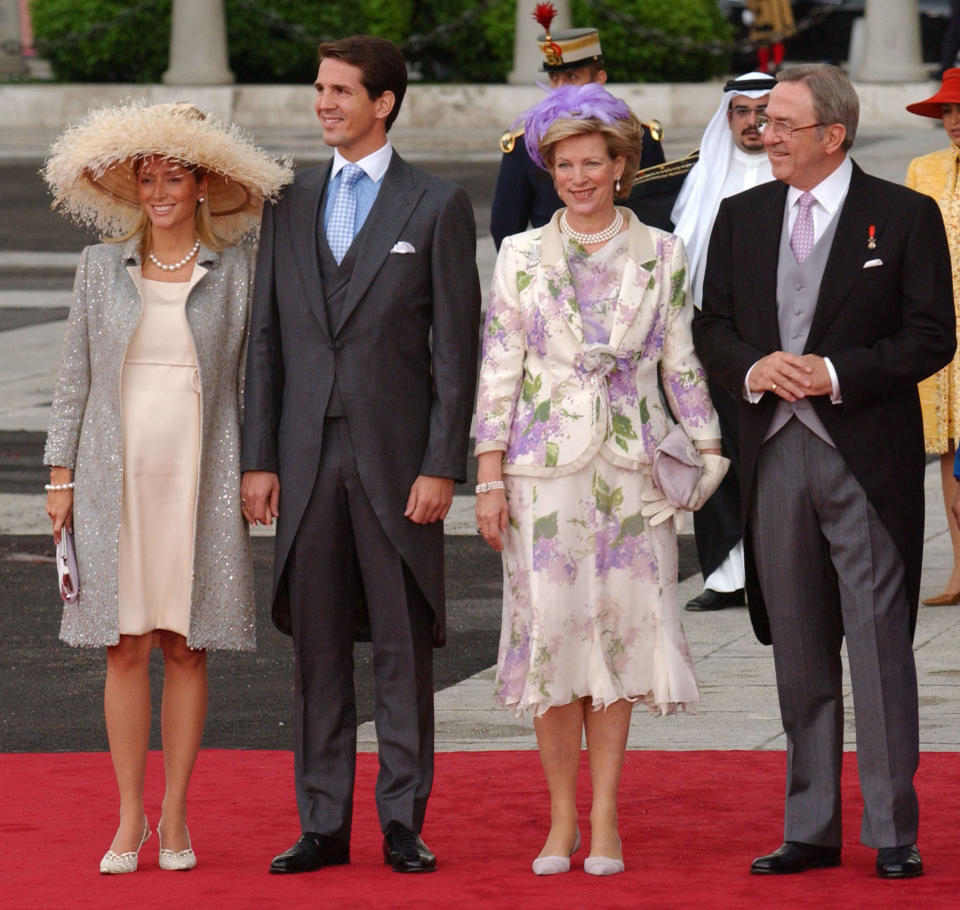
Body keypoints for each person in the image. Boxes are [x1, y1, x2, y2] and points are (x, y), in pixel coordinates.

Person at [693, 64, 955, 879]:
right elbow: (713, 328)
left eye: (781, 124)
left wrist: (836, 372)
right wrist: (753, 367)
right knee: (798, 646)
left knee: (879, 646)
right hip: (773, 455)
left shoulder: (903, 215)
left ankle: (891, 829)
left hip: (865, 460)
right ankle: (808, 826)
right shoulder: (741, 217)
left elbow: (930, 336)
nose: (763, 134)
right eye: (763, 123)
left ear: (832, 136)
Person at [240, 36, 480, 875]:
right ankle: (322, 823)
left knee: (403, 649)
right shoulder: (289, 200)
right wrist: (258, 456)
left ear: (384, 102)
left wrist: (444, 462)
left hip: (399, 465)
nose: (324, 103)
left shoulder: (437, 205)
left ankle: (404, 823)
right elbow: (266, 340)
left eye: (341, 90)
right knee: (315, 650)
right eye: (319, 89)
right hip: (303, 462)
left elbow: (457, 348)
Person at [474, 83, 727, 877]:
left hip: (634, 470)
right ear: (549, 170)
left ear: (622, 167)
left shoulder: (663, 251)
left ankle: (607, 818)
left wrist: (710, 452)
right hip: (539, 472)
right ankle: (559, 823)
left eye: (594, 163)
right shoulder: (518, 254)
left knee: (618, 637)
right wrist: (484, 475)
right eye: (565, 165)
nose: (579, 177)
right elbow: (499, 367)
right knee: (553, 640)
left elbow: (679, 361)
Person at [42, 102, 292, 874]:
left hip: (200, 470)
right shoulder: (95, 268)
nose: (159, 190)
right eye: (147, 177)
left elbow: (258, 381)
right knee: (123, 646)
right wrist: (60, 475)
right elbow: (73, 377)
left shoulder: (240, 271)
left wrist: (261, 464)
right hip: (114, 470)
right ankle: (127, 820)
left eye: (173, 176)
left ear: (201, 185)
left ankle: (176, 817)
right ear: (132, 189)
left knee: (186, 646)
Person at [670, 71, 776, 613]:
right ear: (727, 117)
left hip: (779, 344)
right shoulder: (703, 176)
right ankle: (726, 574)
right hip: (708, 340)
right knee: (712, 451)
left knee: (773, 458)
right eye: (743, 111)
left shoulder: (794, 176)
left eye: (765, 110)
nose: (754, 122)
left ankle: (775, 571)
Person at [489, 4, 665, 250]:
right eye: (554, 78)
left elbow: (656, 215)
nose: (561, 89)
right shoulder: (524, 145)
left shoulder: (640, 137)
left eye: (572, 77)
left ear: (599, 80)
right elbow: (505, 229)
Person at [905, 69, 960, 605]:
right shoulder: (924, 169)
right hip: (943, 331)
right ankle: (959, 571)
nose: (955, 121)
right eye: (947, 111)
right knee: (948, 446)